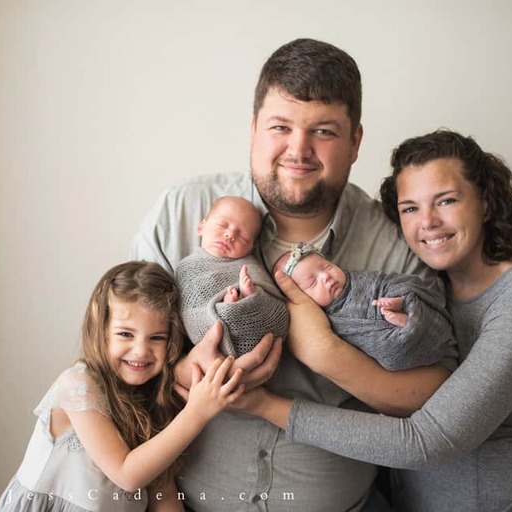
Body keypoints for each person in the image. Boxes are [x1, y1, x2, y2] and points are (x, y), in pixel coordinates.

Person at [130, 38, 450, 512]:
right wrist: (179, 367)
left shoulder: (396, 241)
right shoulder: (180, 212)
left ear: (355, 142)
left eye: (323, 131)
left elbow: (432, 395)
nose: (298, 150)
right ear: (253, 128)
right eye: (280, 127)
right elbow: (116, 353)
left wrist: (325, 353)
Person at [242, 129, 512, 511]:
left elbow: (427, 441)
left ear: (486, 202)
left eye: (446, 201)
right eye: (410, 208)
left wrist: (264, 405)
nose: (427, 222)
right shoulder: (424, 287)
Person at [0, 261, 245, 512]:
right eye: (126, 334)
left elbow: (163, 493)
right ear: (101, 330)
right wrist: (197, 412)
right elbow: (127, 475)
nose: (141, 351)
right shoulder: (77, 386)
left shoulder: (152, 397)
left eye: (157, 337)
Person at [272, 241, 457, 372]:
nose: (326, 277)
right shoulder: (329, 319)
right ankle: (405, 324)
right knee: (388, 351)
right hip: (386, 340)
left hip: (398, 301)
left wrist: (396, 294)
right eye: (312, 282)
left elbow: (384, 281)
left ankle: (402, 305)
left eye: (326, 267)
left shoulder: (357, 278)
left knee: (406, 288)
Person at [176, 196, 289, 357]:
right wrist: (224, 308)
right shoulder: (187, 267)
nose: (230, 235)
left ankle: (246, 298)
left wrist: (253, 296)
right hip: (209, 344)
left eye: (242, 236)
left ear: (251, 247)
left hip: (256, 332)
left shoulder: (248, 266)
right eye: (222, 225)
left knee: (252, 289)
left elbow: (277, 311)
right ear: (201, 227)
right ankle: (231, 304)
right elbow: (187, 312)